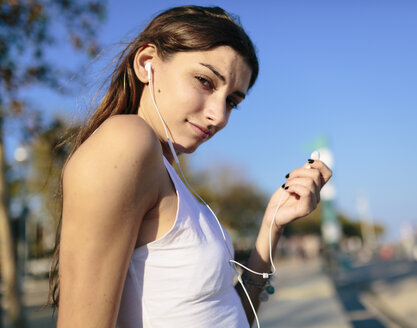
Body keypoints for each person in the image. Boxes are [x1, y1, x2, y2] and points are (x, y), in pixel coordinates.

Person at [48, 5, 332, 328]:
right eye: (205, 81)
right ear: (147, 63)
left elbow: (225, 313)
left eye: (231, 102)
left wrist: (272, 224)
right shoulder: (126, 142)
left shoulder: (169, 174)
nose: (220, 116)